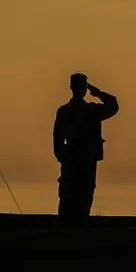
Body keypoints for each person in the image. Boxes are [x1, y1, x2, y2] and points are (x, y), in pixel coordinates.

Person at [53, 73, 119, 226]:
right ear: (84, 89)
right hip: (84, 164)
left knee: (67, 204)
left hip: (73, 164)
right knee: (81, 204)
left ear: (71, 88)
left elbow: (57, 142)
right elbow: (113, 106)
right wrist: (98, 93)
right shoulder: (91, 111)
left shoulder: (64, 111)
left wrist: (65, 158)